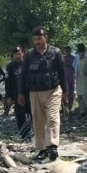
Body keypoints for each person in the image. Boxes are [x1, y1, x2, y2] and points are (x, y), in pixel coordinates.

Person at [18, 27, 67, 161]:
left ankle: (52, 146)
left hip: (53, 90)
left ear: (46, 37)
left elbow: (62, 73)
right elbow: (23, 75)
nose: (37, 41)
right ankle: (42, 149)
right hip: (35, 92)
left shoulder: (55, 52)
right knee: (38, 121)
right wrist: (21, 93)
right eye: (34, 39)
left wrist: (65, 91)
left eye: (39, 38)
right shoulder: (29, 55)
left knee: (52, 117)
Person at [4, 46, 32, 140]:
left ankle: (34, 135)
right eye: (15, 54)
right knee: (20, 116)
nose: (17, 56)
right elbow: (7, 83)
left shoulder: (28, 64)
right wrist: (8, 97)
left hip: (30, 95)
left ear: (22, 53)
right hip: (17, 96)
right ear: (12, 56)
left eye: (19, 54)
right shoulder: (10, 67)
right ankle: (24, 136)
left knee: (34, 116)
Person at [62, 46, 76, 114]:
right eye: (66, 51)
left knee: (71, 93)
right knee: (63, 93)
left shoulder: (73, 58)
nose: (67, 53)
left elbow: (75, 66)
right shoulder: (62, 58)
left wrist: (68, 64)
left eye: (68, 51)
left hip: (71, 77)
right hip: (64, 78)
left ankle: (70, 108)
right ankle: (64, 108)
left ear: (70, 51)